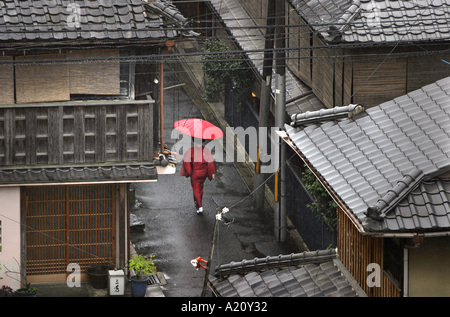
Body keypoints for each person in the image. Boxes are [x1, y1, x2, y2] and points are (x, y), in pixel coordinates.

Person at [180, 138, 216, 214]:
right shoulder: (206, 150)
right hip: (204, 172)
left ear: (194, 141)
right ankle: (198, 202)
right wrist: (212, 173)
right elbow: (210, 162)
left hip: (195, 173)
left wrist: (189, 172)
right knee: (200, 187)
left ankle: (200, 206)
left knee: (196, 188)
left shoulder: (191, 151)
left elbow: (186, 162)